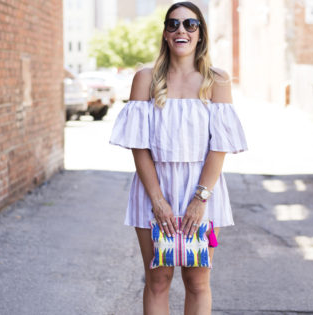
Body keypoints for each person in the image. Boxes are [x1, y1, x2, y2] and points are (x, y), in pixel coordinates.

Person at [109, 1, 247, 314]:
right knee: (157, 279)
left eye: (190, 24)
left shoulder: (217, 80)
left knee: (198, 281)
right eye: (173, 24)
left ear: (201, 34)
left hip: (203, 190)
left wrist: (201, 199)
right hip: (152, 188)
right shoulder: (145, 78)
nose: (181, 30)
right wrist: (158, 201)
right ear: (165, 34)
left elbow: (219, 146)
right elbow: (139, 146)